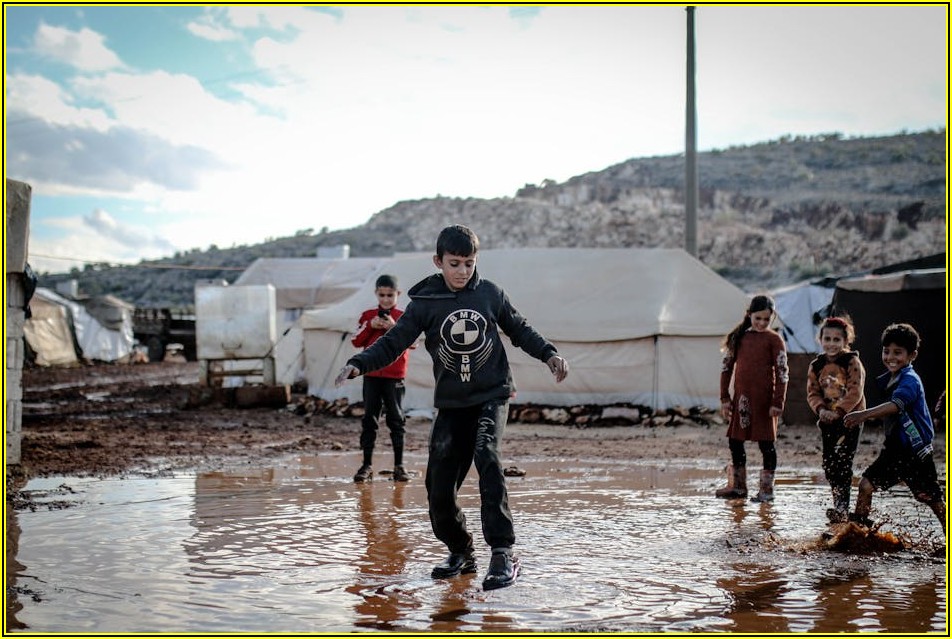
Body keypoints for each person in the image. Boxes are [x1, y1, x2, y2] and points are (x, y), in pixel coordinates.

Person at [335, 224, 569, 591]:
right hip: (452, 405)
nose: (462, 271)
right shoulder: (425, 303)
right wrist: (360, 363)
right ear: (438, 262)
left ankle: (503, 553)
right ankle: (461, 549)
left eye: (469, 263)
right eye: (455, 263)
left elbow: (519, 328)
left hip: (492, 396)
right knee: (438, 486)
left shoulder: (490, 294)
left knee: (487, 456)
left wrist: (549, 353)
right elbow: (395, 340)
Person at [843, 323, 945, 534]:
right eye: (886, 351)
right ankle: (857, 532)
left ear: (912, 355)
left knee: (931, 499)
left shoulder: (910, 380)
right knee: (866, 485)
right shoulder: (893, 378)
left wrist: (863, 414)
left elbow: (896, 405)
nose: (891, 357)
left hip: (916, 452)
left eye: (898, 352)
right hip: (895, 449)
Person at [715, 294, 789, 502]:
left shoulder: (775, 340)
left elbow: (782, 373)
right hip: (742, 401)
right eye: (758, 318)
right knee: (735, 441)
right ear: (749, 315)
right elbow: (726, 368)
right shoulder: (739, 338)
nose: (762, 323)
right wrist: (724, 398)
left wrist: (778, 402)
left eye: (767, 319)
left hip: (765, 403)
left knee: (766, 445)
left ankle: (766, 491)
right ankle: (738, 487)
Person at [350, 274, 412, 483]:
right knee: (370, 420)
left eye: (390, 295)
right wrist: (371, 326)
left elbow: (413, 343)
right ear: (376, 293)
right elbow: (356, 342)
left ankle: (399, 466)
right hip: (372, 376)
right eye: (382, 295)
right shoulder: (368, 316)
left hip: (394, 376)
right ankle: (366, 465)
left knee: (397, 421)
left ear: (398, 294)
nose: (385, 299)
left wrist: (393, 328)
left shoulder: (404, 317)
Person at [806, 316, 866, 523]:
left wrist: (839, 411)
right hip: (827, 420)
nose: (831, 344)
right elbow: (812, 392)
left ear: (845, 341)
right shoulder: (817, 365)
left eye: (836, 340)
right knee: (829, 463)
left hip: (850, 420)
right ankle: (838, 503)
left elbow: (855, 391)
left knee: (843, 462)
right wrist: (821, 410)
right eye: (827, 339)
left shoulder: (851, 362)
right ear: (820, 339)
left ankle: (842, 508)